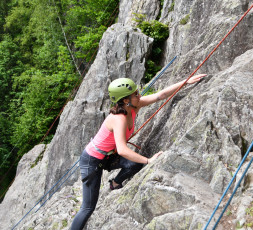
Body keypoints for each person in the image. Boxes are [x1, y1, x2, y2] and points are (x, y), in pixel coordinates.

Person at [70, 74, 206, 230]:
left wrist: (185, 81)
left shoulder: (135, 105)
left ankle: (115, 183)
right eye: (135, 93)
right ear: (126, 100)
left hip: (107, 156)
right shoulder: (118, 119)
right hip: (92, 160)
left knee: (134, 163)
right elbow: (122, 149)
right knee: (88, 208)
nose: (139, 95)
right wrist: (149, 161)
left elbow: (160, 95)